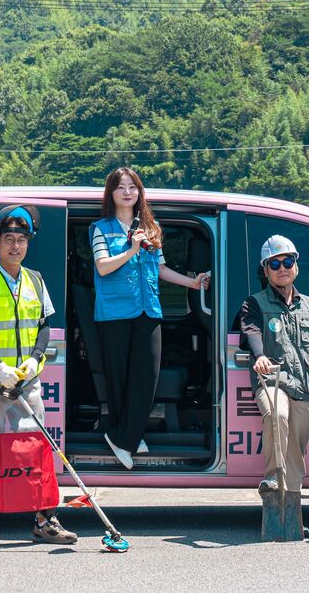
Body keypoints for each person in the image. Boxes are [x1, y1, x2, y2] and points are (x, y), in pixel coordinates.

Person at [0, 204, 76, 547]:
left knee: (36, 450)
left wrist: (35, 359)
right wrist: (0, 367)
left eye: (21, 240)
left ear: (28, 244)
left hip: (28, 382)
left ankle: (44, 520)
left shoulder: (35, 281)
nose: (15, 246)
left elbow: (44, 325)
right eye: (9, 238)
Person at [90, 167, 210, 469]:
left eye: (132, 187)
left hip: (148, 311)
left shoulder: (151, 227)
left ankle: (125, 436)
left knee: (147, 376)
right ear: (111, 193)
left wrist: (192, 283)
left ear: (139, 192)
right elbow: (103, 266)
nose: (127, 192)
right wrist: (132, 249)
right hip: (114, 314)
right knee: (119, 378)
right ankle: (126, 436)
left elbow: (160, 269)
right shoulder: (101, 228)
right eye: (121, 187)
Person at [238, 235, 309, 510]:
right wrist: (260, 356)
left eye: (287, 261)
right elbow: (252, 333)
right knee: (276, 414)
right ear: (265, 269)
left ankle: (289, 516)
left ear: (296, 265)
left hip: (305, 388)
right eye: (274, 263)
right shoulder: (254, 304)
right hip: (272, 382)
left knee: (295, 456)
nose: (282, 268)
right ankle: (272, 479)